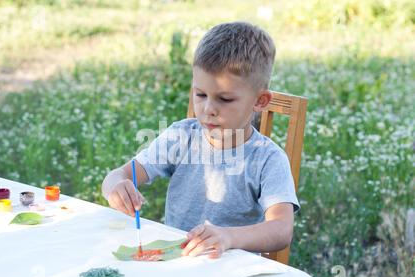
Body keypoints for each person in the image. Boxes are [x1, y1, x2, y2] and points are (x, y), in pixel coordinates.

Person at [102, 21, 299, 259]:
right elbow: (119, 175)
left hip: (232, 270)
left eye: (224, 99)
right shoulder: (181, 137)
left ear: (260, 101)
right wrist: (115, 186)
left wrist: (228, 237)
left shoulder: (268, 159)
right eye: (200, 94)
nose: (208, 109)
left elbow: (281, 230)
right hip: (178, 262)